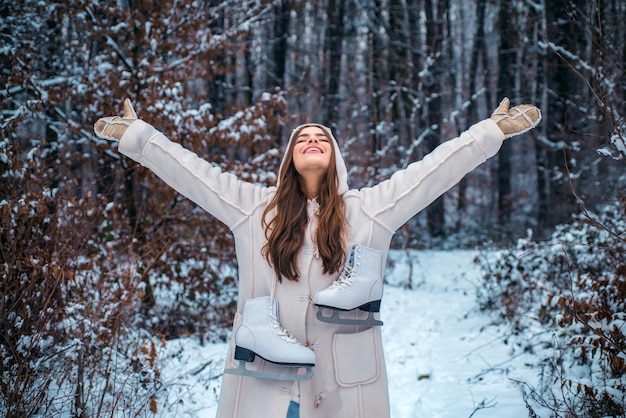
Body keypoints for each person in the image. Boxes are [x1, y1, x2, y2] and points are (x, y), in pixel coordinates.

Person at [94, 97, 541, 418]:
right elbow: (192, 173)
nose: (311, 140)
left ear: (335, 156)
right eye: (302, 138)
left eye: (320, 137)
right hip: (268, 388)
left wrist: (488, 133)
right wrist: (140, 137)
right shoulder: (254, 209)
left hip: (342, 386)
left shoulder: (367, 210)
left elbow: (432, 172)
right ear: (289, 157)